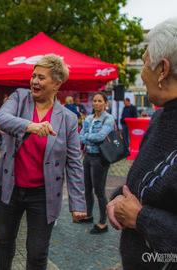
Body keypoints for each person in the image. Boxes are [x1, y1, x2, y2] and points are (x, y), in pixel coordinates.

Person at [0, 54, 87, 270]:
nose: (34, 81)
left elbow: (74, 162)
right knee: (4, 241)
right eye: (33, 76)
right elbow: (2, 118)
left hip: (44, 194)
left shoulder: (68, 119)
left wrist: (78, 203)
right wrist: (31, 126)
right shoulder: (19, 98)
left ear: (57, 83)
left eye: (41, 77)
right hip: (11, 187)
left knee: (37, 253)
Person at [107, 18, 177, 269]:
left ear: (163, 69)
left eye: (145, 62)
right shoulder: (161, 116)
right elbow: (143, 183)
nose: (142, 73)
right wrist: (118, 199)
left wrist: (141, 218)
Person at [79, 91, 115, 234]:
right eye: (95, 100)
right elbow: (81, 136)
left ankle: (103, 222)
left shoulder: (109, 119)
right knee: (87, 188)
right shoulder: (88, 118)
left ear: (106, 103)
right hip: (87, 155)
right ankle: (88, 214)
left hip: (100, 158)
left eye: (100, 101)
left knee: (99, 191)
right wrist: (89, 137)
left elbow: (101, 136)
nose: (96, 103)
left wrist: (87, 137)